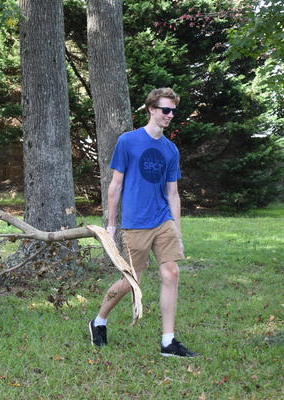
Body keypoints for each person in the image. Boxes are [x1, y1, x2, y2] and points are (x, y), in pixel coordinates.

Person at [88, 88, 199, 357]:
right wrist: (111, 225)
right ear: (151, 109)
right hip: (135, 223)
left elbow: (173, 193)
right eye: (165, 110)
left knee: (171, 272)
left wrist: (177, 229)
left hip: (162, 220)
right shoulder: (128, 141)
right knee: (131, 281)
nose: (170, 115)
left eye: (173, 111)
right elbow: (115, 186)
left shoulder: (170, 150)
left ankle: (168, 341)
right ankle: (99, 320)